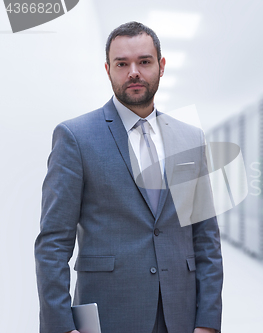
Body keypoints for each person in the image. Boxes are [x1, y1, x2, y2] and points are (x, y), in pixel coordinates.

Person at [34, 21, 223, 333]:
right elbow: (53, 241)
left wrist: (208, 322)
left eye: (144, 62)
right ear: (108, 69)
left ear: (161, 67)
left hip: (181, 314)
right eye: (122, 64)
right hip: (110, 313)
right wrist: (61, 326)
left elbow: (206, 237)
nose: (133, 72)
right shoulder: (75, 137)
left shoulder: (191, 139)